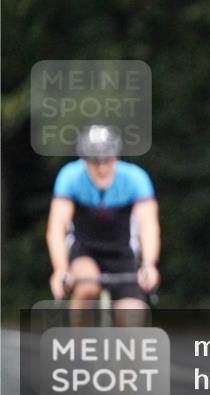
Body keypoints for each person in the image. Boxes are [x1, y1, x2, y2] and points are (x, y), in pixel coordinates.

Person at [46, 125, 160, 316]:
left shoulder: (135, 179)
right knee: (87, 286)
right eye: (94, 161)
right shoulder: (70, 177)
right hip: (84, 250)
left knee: (132, 315)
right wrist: (60, 269)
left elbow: (148, 225)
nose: (101, 167)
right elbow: (57, 226)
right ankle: (80, 343)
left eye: (107, 160)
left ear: (116, 157)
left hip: (122, 252)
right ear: (84, 161)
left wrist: (149, 264)